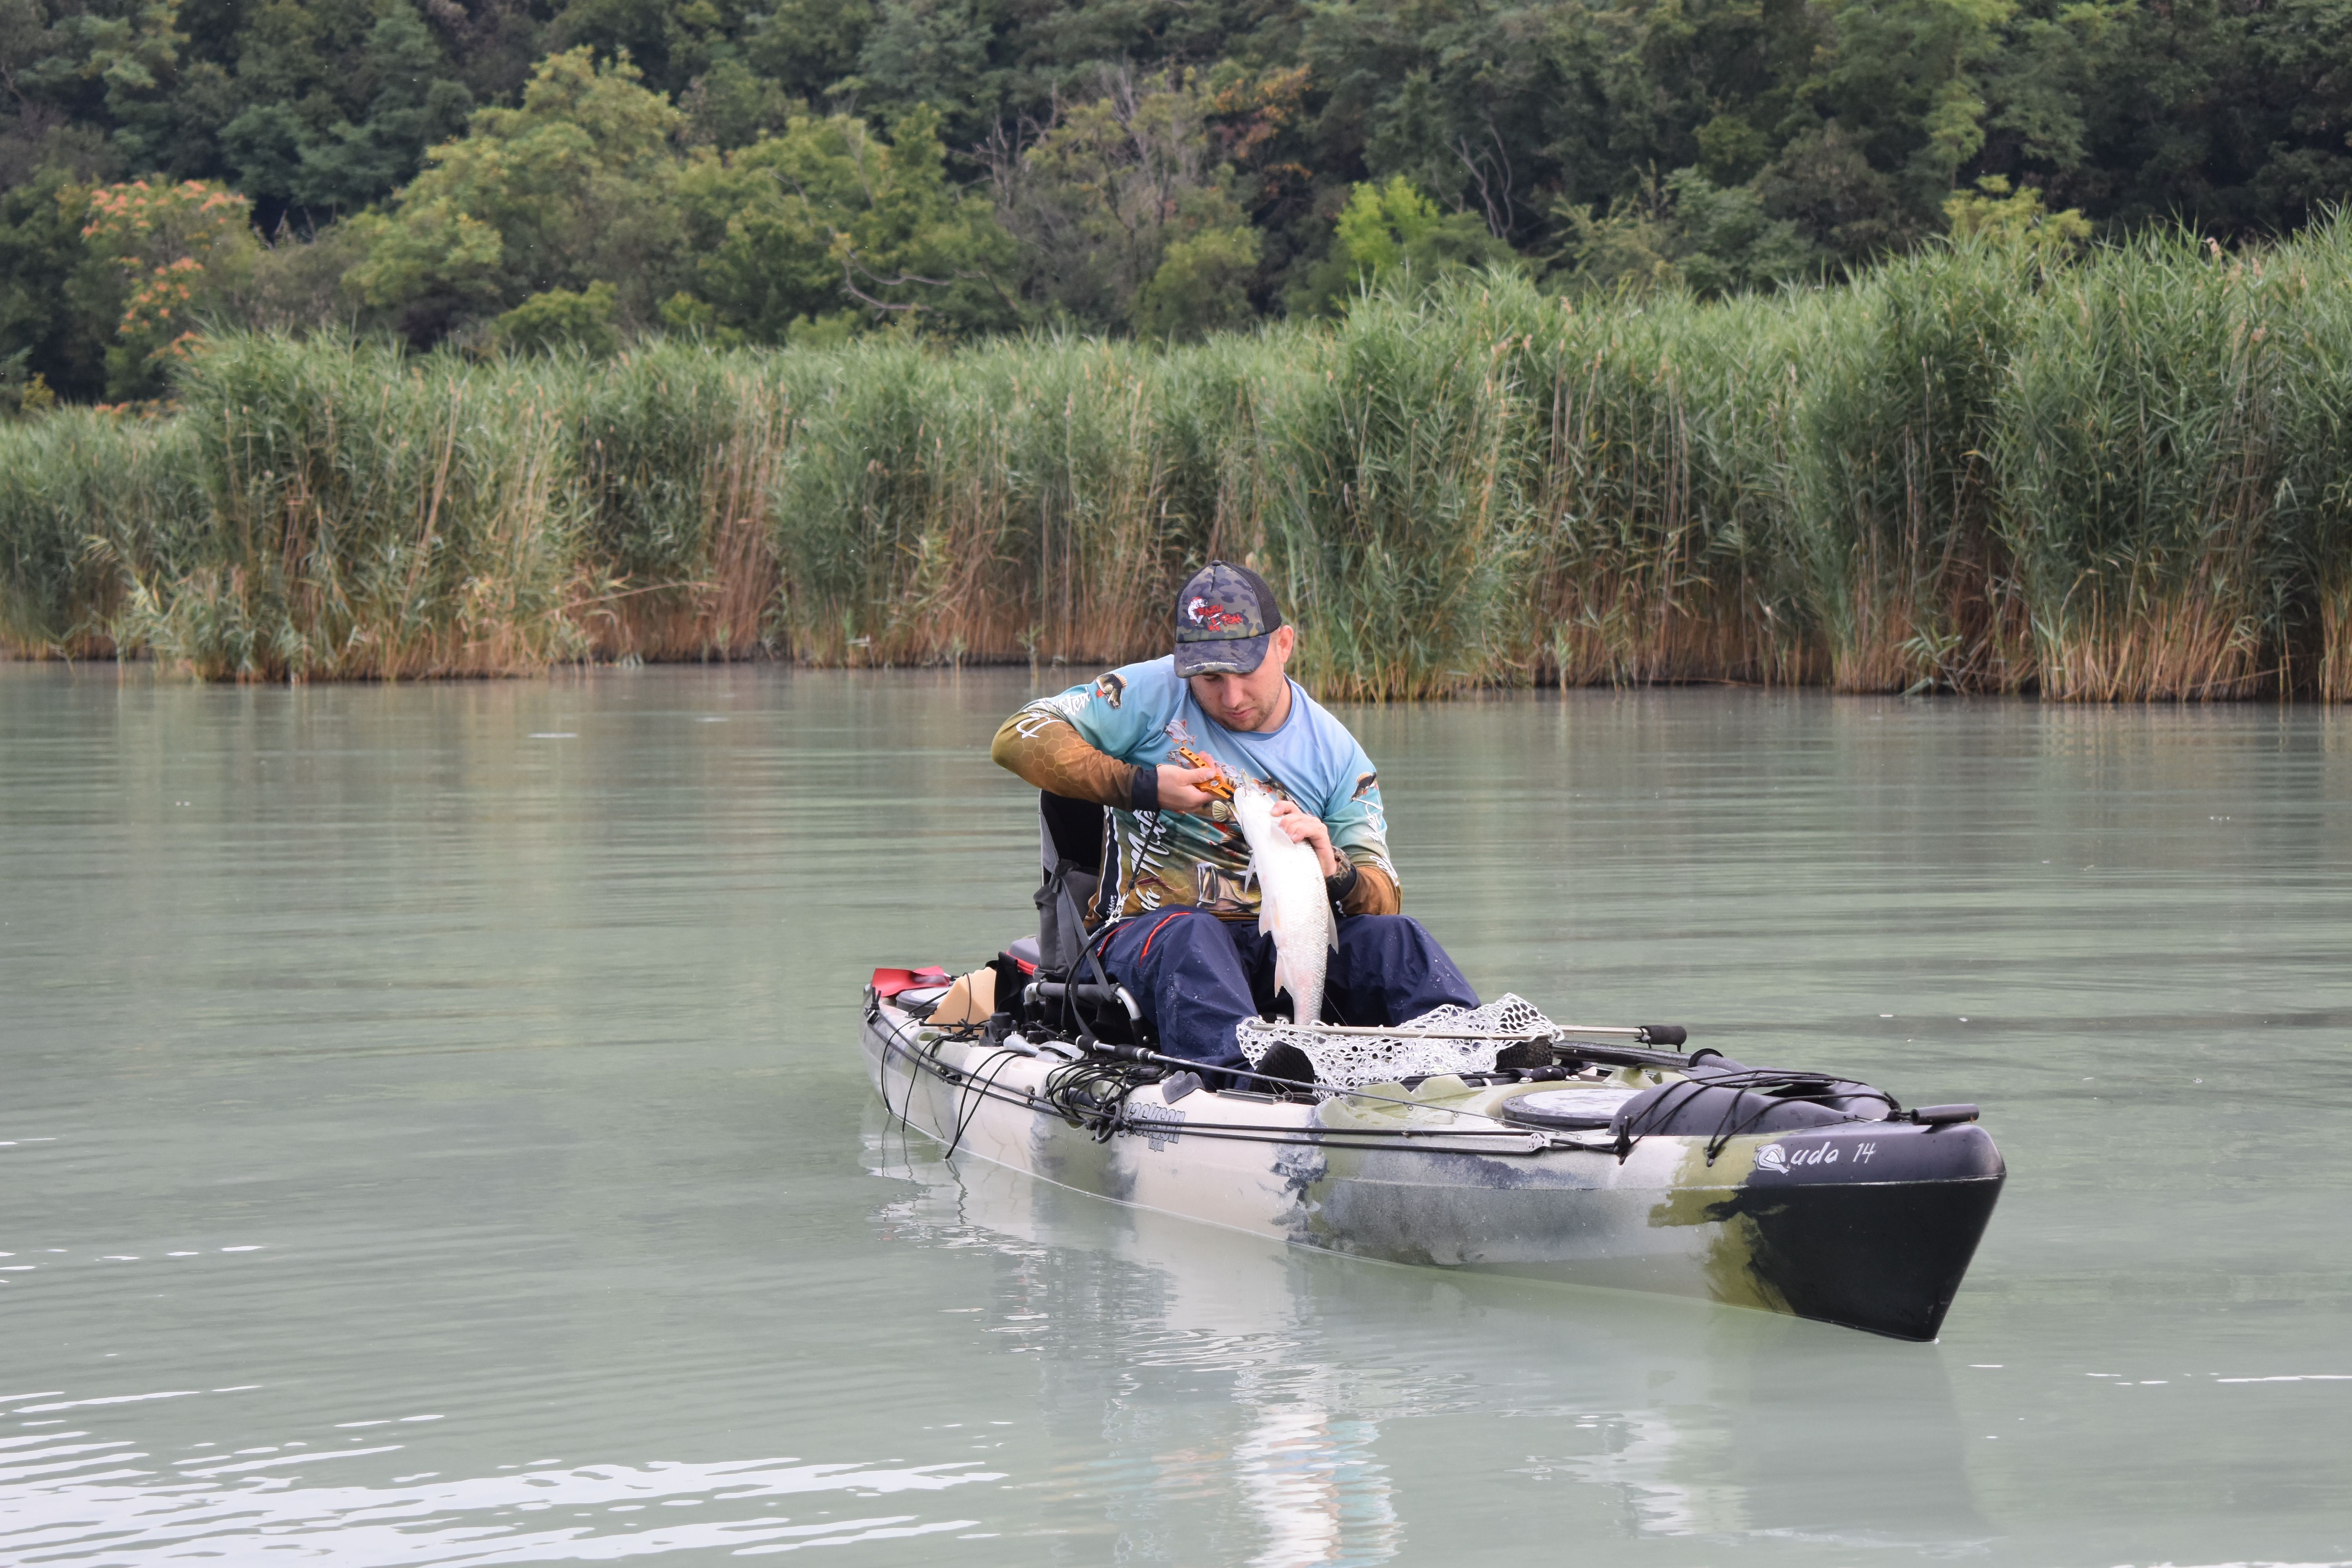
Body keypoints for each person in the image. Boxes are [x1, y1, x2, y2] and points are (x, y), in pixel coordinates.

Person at [990, 560, 1477, 1067]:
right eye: (1210, 677)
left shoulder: (1338, 755)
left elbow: (1384, 896)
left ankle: (1476, 1057)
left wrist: (1337, 870)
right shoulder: (1145, 695)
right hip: (1148, 938)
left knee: (1399, 940)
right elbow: (1015, 738)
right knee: (1193, 935)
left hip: (1282, 948)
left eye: (1245, 671)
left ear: (1284, 645)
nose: (1231, 697)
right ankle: (1250, 1078)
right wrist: (1145, 786)